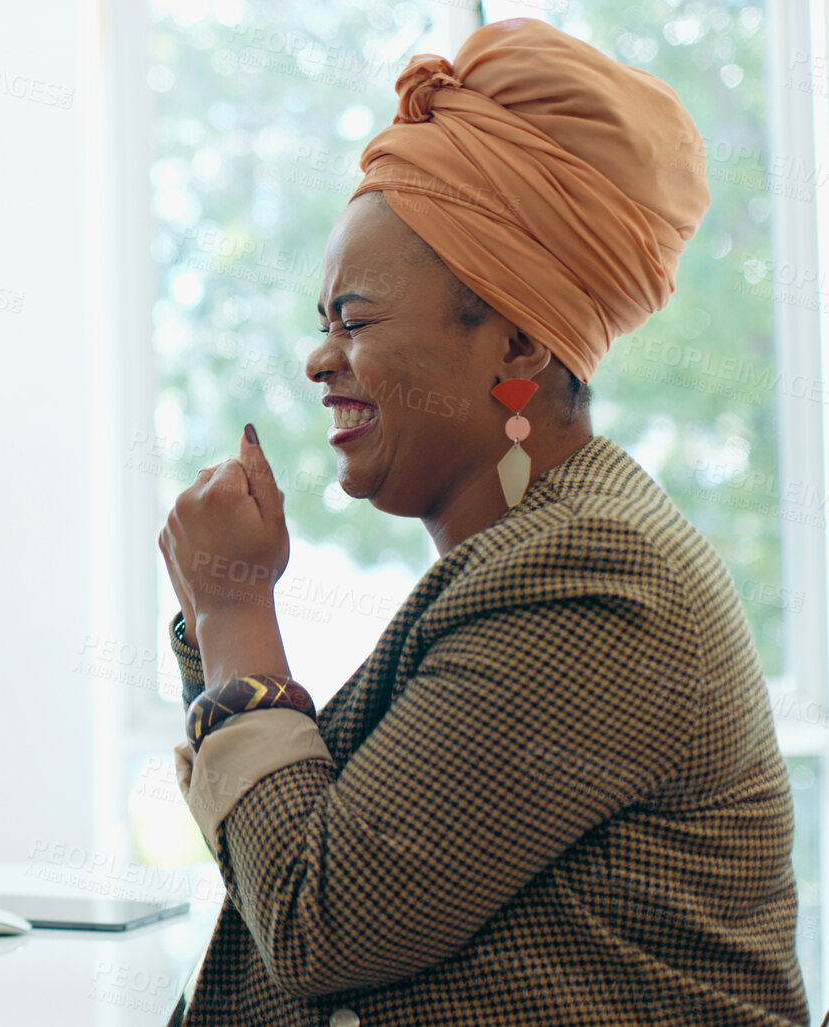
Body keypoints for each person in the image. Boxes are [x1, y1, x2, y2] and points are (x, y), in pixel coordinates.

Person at [156, 18, 809, 1026]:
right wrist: (218, 620)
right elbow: (287, 855)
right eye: (323, 320)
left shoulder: (595, 576)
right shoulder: (531, 554)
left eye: (356, 320)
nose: (318, 359)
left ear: (515, 340)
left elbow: (318, 919)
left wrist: (232, 607)